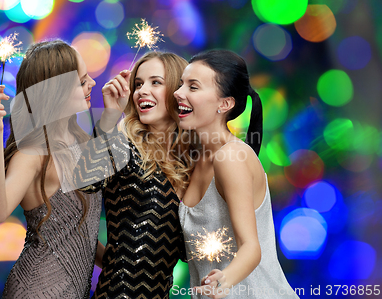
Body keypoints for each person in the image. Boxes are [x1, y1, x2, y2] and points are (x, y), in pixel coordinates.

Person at [0, 40, 104, 299]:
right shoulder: (33, 153)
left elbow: (81, 234)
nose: (92, 83)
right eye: (81, 82)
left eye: (88, 76)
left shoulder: (82, 141)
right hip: (36, 291)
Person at [174, 49, 299, 298]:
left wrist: (224, 280)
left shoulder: (230, 157)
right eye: (181, 84)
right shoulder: (192, 158)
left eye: (193, 87)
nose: (178, 93)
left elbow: (251, 248)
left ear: (225, 104)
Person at [73, 52, 194, 299]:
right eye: (138, 84)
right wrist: (109, 115)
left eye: (155, 82)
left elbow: (186, 251)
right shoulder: (123, 146)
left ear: (178, 92)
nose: (141, 91)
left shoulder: (192, 163)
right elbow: (85, 182)